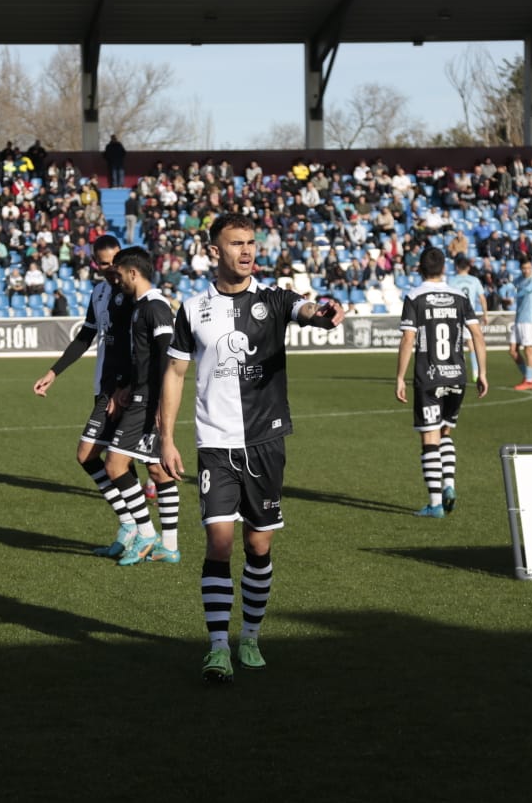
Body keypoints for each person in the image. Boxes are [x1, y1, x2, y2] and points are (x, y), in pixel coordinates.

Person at [159, 212, 345, 683]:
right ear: (213, 251)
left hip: (265, 440)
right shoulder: (193, 308)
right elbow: (175, 372)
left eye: (251, 243)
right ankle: (218, 646)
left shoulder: (275, 298)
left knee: (258, 545)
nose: (246, 251)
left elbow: (309, 312)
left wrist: (323, 313)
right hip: (215, 445)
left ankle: (251, 637)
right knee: (219, 542)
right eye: (236, 243)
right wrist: (165, 437)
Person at [32, 235, 145, 555]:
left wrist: (124, 385)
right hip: (105, 386)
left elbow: (134, 345)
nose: (108, 270)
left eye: (113, 264)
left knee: (94, 456)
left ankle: (143, 531)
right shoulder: (99, 292)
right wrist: (54, 372)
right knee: (113, 462)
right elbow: (86, 336)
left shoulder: (132, 292)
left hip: (124, 389)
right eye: (102, 264)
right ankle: (132, 528)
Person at [395, 248, 488, 518]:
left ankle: (435, 504)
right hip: (457, 376)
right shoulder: (460, 296)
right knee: (446, 431)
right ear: (444, 268)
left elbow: (408, 340)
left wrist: (400, 377)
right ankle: (449, 484)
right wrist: (482, 373)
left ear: (420, 269)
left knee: (429, 437)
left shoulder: (414, 297)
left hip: (429, 377)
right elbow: (478, 336)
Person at [105, 245, 181, 565]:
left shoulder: (155, 306)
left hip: (149, 400)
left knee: (114, 465)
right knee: (156, 470)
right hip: (141, 395)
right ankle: (170, 546)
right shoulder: (141, 307)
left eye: (119, 273)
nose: (117, 279)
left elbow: (168, 358)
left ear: (133, 272)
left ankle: (146, 534)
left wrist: (162, 408)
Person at [448, 255, 486, 382]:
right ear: (468, 267)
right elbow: (482, 298)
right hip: (470, 316)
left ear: (457, 267)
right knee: (472, 344)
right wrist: (485, 314)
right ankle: (476, 372)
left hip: (455, 315)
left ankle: (457, 370)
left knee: (455, 344)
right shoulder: (474, 280)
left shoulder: (452, 280)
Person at [509, 258, 532, 391]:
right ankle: (528, 376)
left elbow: (527, 290)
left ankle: (529, 381)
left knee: (528, 350)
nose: (526, 270)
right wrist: (506, 293)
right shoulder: (518, 279)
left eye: (528, 268)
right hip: (519, 318)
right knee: (512, 350)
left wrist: (514, 294)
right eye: (524, 268)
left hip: (529, 319)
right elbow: (511, 287)